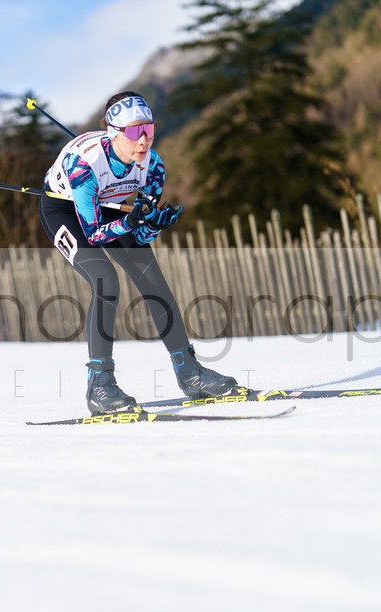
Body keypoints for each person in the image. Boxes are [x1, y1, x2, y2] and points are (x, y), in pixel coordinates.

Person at [39, 91, 237, 414]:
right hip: (64, 210)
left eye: (150, 130)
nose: (143, 140)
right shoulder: (84, 166)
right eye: (134, 132)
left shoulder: (153, 166)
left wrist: (154, 225)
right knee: (105, 280)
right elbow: (94, 234)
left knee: (151, 278)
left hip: (111, 207)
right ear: (113, 133)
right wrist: (131, 220)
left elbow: (140, 233)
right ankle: (99, 385)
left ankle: (189, 372)